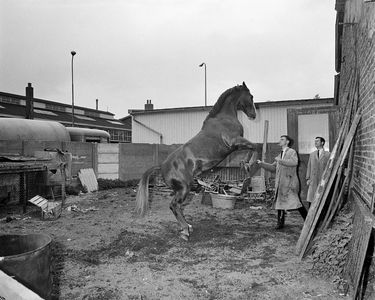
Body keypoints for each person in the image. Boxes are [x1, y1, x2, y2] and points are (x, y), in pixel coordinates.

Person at [256, 135, 307, 229]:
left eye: (282, 139)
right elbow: (273, 167)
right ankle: (280, 223)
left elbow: (294, 162)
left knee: (296, 202)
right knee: (279, 202)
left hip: (290, 183)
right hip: (281, 183)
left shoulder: (292, 152)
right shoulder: (280, 154)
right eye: (280, 139)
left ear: (287, 142)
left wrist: (280, 160)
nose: (280, 140)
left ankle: (307, 220)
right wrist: (261, 164)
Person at [306, 137, 330, 208]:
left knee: (322, 198)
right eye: (315, 141)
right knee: (311, 198)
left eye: (317, 141)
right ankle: (310, 216)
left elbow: (330, 168)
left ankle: (322, 217)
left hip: (323, 179)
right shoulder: (312, 154)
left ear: (322, 143)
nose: (315, 142)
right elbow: (309, 167)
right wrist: (308, 178)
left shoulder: (328, 154)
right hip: (313, 180)